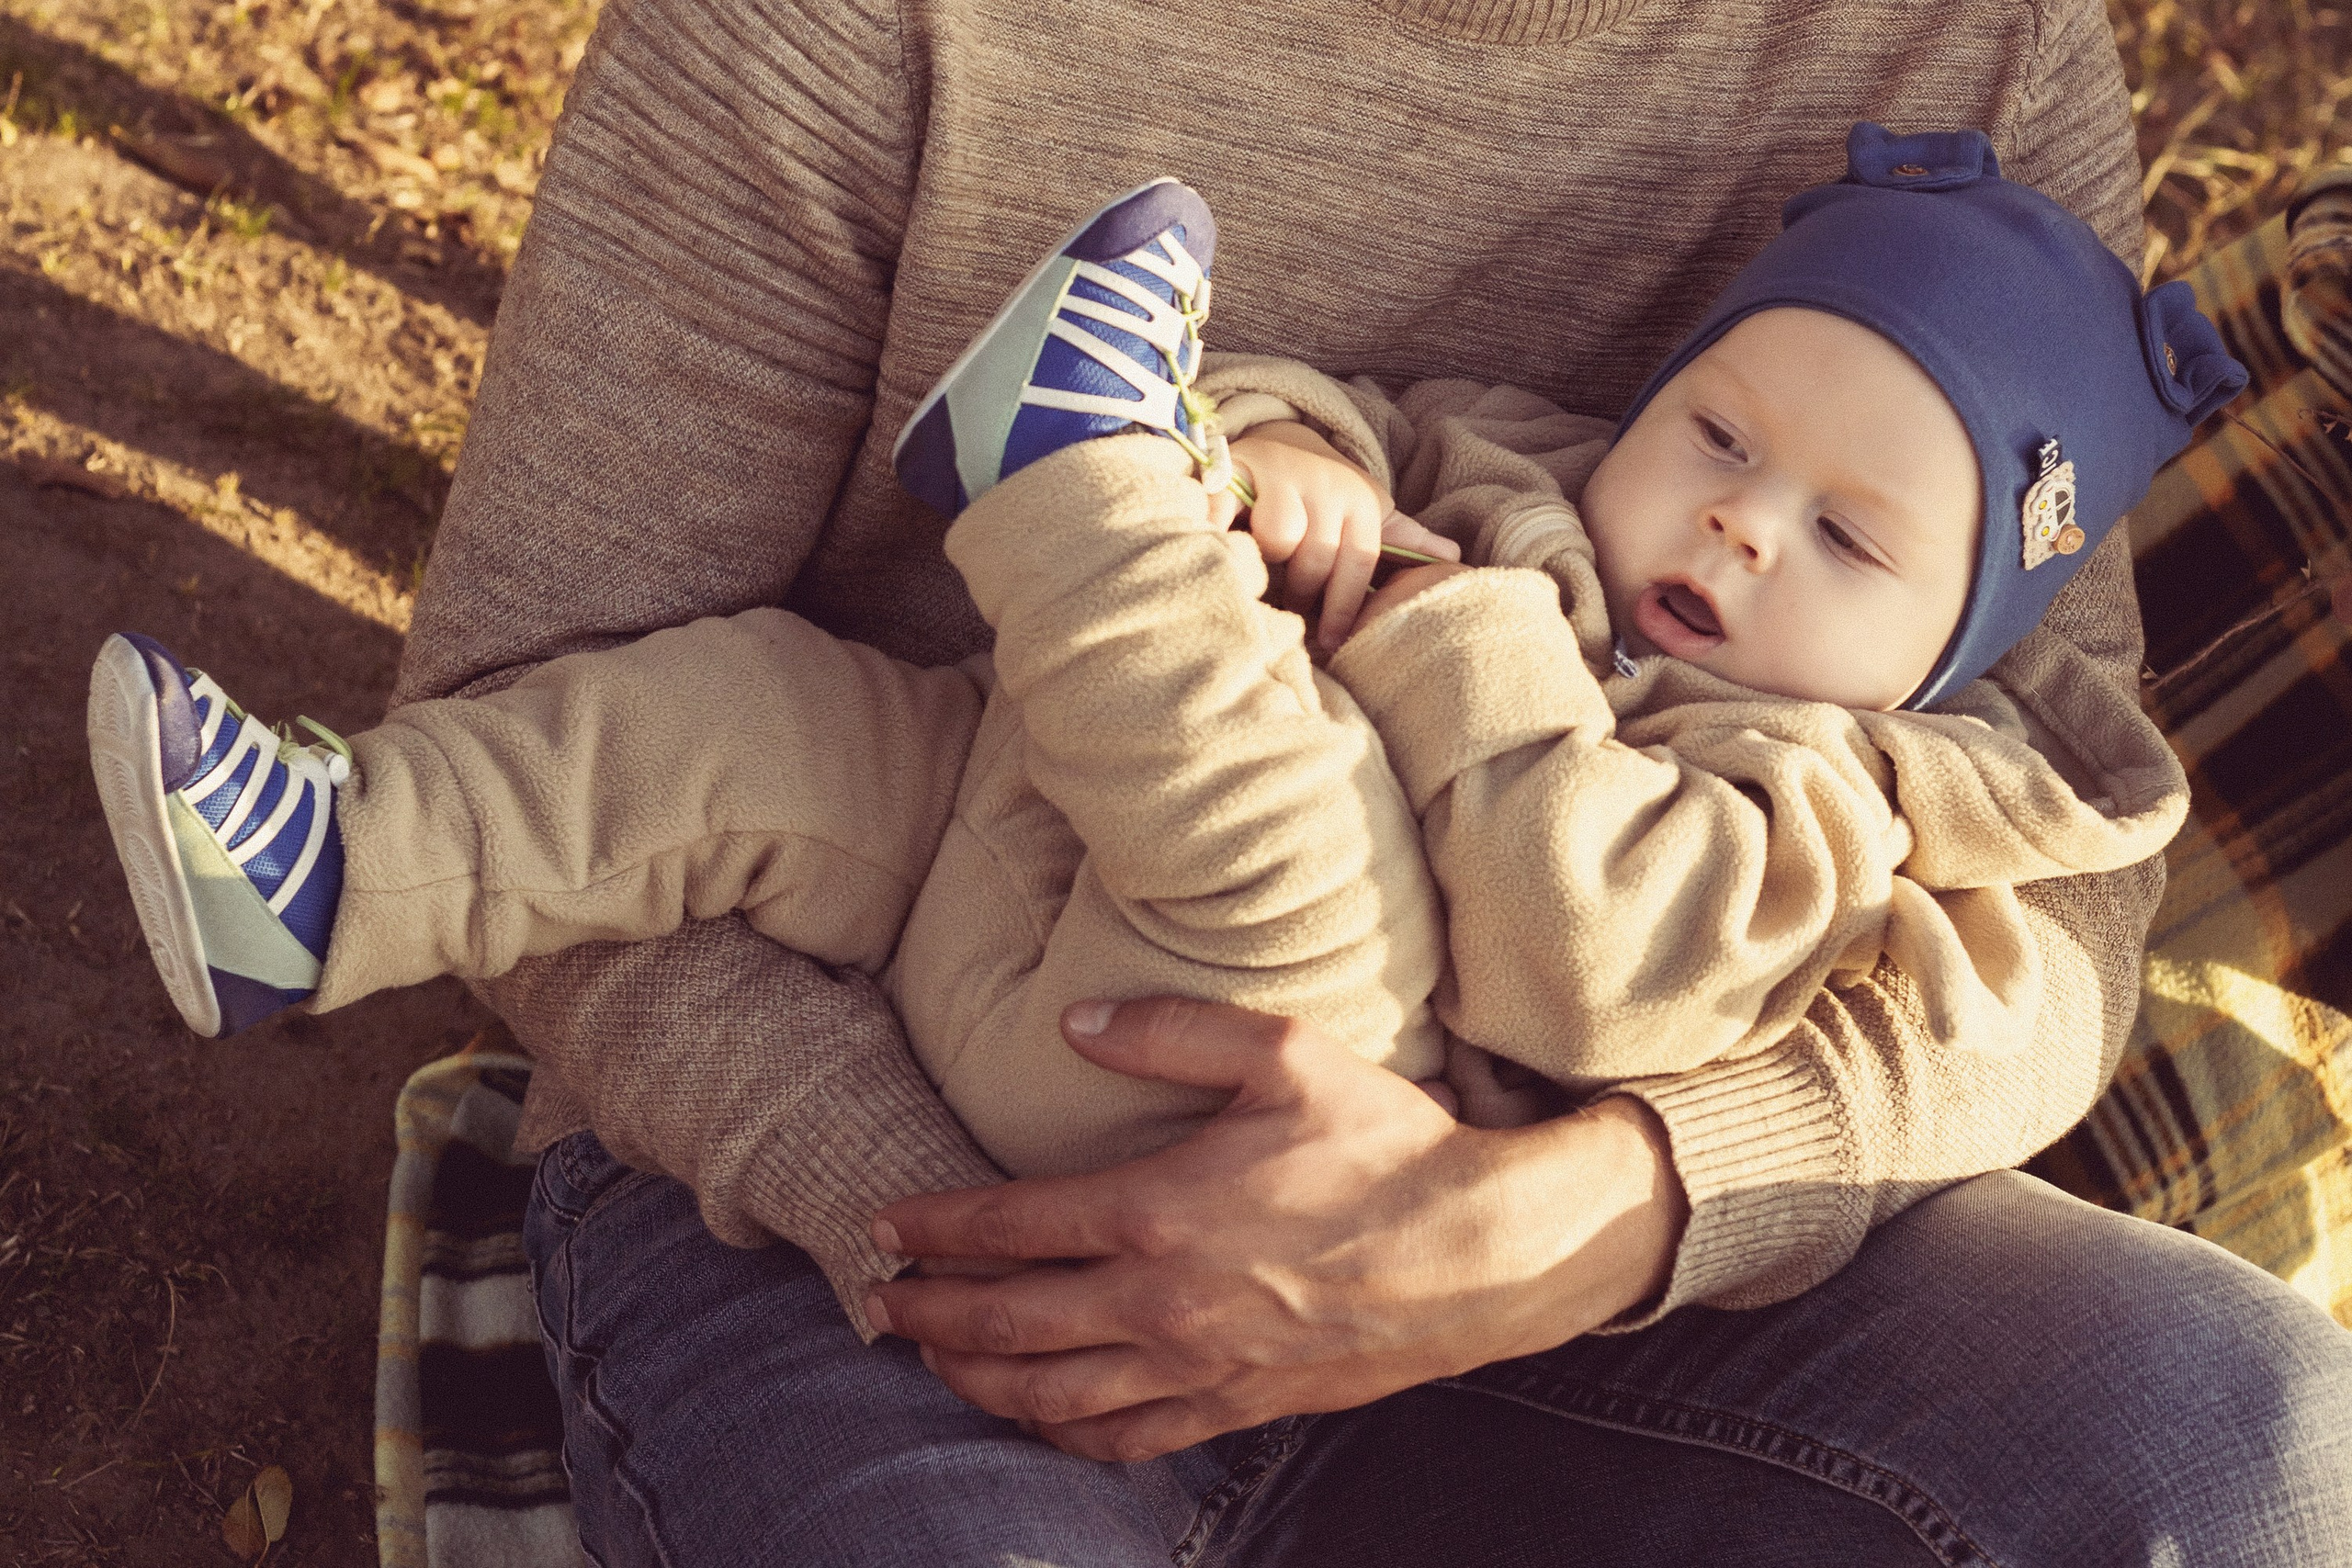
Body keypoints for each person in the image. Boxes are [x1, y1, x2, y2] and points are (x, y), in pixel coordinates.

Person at [220, 0, 2352, 1558]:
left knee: (2225, 1440)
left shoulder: (1961, 45)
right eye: (1711, 443)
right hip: (906, 1101)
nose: (1730, 528)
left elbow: (2054, 885)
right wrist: (969, 1224)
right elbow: (540, 681)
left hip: (1564, 1191)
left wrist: (1593, 1211)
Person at [90, 134, 2224, 1193]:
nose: (1738, 517)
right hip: (982, 842)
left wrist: (1413, 617)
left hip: (1205, 1066)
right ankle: (332, 874)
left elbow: (1584, 958)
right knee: (753, 720)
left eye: (1844, 536)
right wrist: (1279, 452)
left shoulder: (1829, 796)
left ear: (1947, 645)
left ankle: (1061, 480)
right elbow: (1364, 426)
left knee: (1299, 841)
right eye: (1718, 432)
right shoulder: (1534, 471)